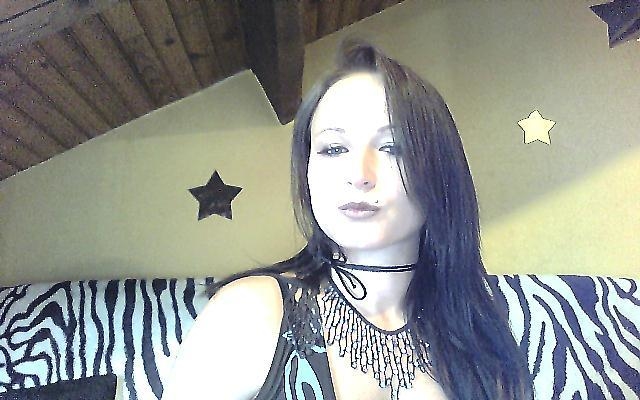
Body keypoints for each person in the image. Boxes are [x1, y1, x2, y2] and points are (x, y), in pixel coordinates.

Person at [161, 39, 534, 400]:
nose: (359, 175)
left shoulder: (479, 336)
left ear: (439, 169)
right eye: (334, 148)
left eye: (393, 147)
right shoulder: (250, 313)